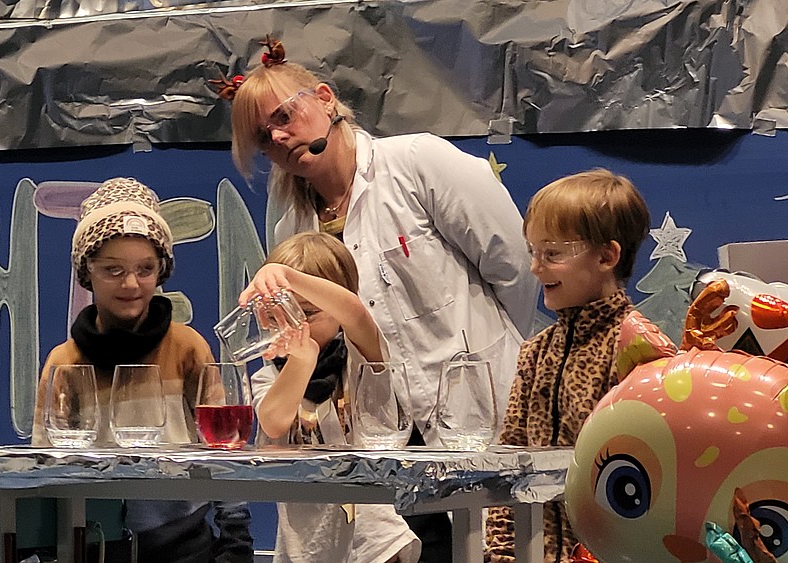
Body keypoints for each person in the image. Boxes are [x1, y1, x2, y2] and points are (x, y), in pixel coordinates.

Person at [221, 36, 539, 560]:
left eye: (284, 114)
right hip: (380, 446)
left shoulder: (418, 162)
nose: (278, 136)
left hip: (475, 419)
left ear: (325, 98)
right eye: (262, 136)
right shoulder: (289, 223)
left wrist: (489, 358)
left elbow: (515, 270)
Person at [31, 177, 254, 563]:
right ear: (87, 272)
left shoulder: (188, 348)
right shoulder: (64, 363)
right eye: (113, 270)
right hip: (92, 547)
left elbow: (223, 454)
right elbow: (46, 466)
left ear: (161, 270)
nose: (131, 283)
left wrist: (236, 540)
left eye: (145, 269)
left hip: (186, 548)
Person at [484, 169, 652, 562]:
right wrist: (500, 552)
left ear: (607, 256)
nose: (535, 268)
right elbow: (510, 462)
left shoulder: (639, 349)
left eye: (552, 254)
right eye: (533, 252)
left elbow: (654, 482)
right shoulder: (536, 352)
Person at [241, 231, 421, 563]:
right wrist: (303, 359)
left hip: (374, 546)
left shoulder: (361, 357)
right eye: (280, 312)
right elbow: (275, 422)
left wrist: (288, 278)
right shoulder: (268, 374)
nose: (294, 324)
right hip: (301, 550)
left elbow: (354, 311)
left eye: (308, 312)